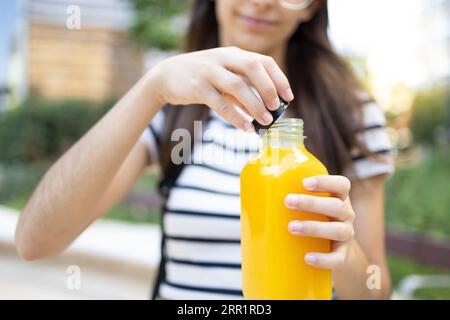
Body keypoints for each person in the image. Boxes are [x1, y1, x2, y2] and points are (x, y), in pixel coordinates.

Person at [15, 0, 395, 299]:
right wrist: (153, 87)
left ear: (311, 6)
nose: (262, 2)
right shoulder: (168, 107)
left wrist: (344, 255)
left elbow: (374, 292)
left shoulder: (351, 113)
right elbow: (35, 240)